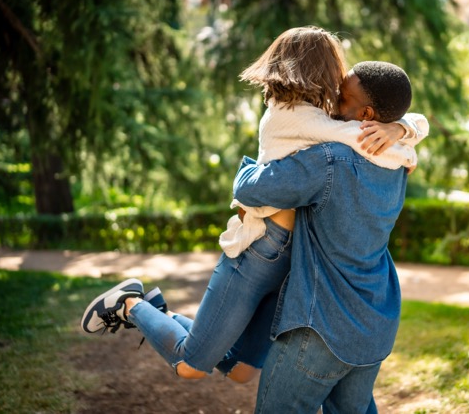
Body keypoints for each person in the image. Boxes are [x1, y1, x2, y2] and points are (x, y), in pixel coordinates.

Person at [80, 26, 428, 387]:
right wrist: (402, 135)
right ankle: (129, 304)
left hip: (293, 259)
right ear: (318, 69)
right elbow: (367, 141)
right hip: (260, 250)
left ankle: (161, 313)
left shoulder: (317, 114)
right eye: (334, 68)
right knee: (190, 365)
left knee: (243, 370)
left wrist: (402, 127)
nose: (339, 82)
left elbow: (378, 124)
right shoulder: (293, 114)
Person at [232, 61, 420, 412]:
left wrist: (267, 148)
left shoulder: (328, 160)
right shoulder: (400, 160)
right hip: (375, 321)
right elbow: (412, 126)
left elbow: (249, 189)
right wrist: (401, 129)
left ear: (365, 113)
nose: (332, 100)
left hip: (322, 327)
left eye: (342, 96)